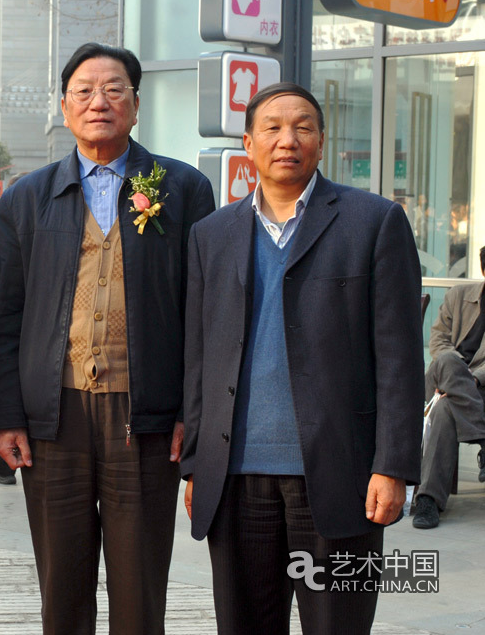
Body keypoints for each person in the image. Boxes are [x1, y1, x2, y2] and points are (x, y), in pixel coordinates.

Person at [0, 42, 215, 635]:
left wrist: (195, 410)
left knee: (139, 587)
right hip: (52, 418)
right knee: (62, 584)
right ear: (64, 107)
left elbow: (204, 313)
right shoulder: (27, 198)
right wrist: (6, 414)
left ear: (136, 105)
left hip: (148, 415)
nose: (99, 102)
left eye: (114, 89)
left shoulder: (180, 189)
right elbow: (5, 317)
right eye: (84, 91)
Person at [181, 82, 424, 635]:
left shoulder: (374, 221)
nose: (287, 139)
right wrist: (196, 463)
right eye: (272, 127)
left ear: (321, 140)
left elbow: (400, 358)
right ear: (248, 143)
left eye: (303, 127)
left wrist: (394, 466)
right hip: (237, 478)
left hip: (340, 478)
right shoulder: (211, 235)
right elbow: (201, 359)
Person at [412, 246, 485, 529]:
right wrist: (456, 371)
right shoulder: (458, 297)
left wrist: (472, 378)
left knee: (444, 411)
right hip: (441, 380)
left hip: (476, 389)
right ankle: (482, 439)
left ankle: (428, 501)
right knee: (447, 363)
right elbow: (438, 343)